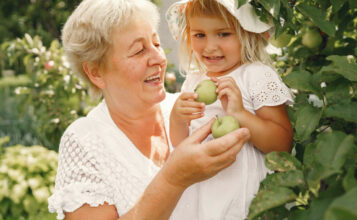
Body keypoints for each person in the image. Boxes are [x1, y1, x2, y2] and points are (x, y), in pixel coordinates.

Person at [47, 0, 252, 219]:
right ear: (96, 73)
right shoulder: (85, 141)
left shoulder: (192, 111)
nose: (159, 59)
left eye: (156, 44)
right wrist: (174, 179)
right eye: (138, 51)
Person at [166, 0, 294, 219]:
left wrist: (240, 114)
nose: (210, 46)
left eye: (223, 34)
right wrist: (177, 118)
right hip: (200, 191)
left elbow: (281, 143)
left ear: (248, 33)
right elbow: (180, 142)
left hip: (242, 194)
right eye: (199, 35)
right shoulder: (195, 81)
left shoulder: (255, 76)